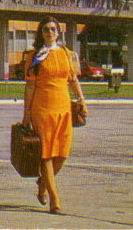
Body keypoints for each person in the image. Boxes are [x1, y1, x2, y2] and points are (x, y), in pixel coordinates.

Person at [21, 16, 87, 215]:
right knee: (47, 154)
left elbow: (73, 80)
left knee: (62, 154)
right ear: (41, 33)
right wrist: (27, 114)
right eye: (46, 29)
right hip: (42, 108)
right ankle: (54, 200)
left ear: (59, 33)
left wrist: (81, 100)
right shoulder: (35, 56)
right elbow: (30, 87)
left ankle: (43, 184)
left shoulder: (67, 54)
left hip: (63, 108)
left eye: (53, 29)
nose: (50, 32)